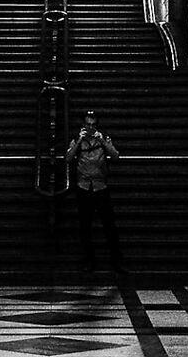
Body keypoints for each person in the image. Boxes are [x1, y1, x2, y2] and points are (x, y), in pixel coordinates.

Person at [68, 109, 125, 273]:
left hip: (101, 186)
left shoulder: (103, 139)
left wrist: (104, 141)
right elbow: (68, 158)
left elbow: (115, 156)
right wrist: (79, 140)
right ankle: (88, 260)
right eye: (88, 124)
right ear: (83, 125)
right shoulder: (77, 140)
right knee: (85, 226)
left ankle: (116, 261)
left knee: (109, 225)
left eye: (93, 125)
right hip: (84, 187)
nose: (91, 127)